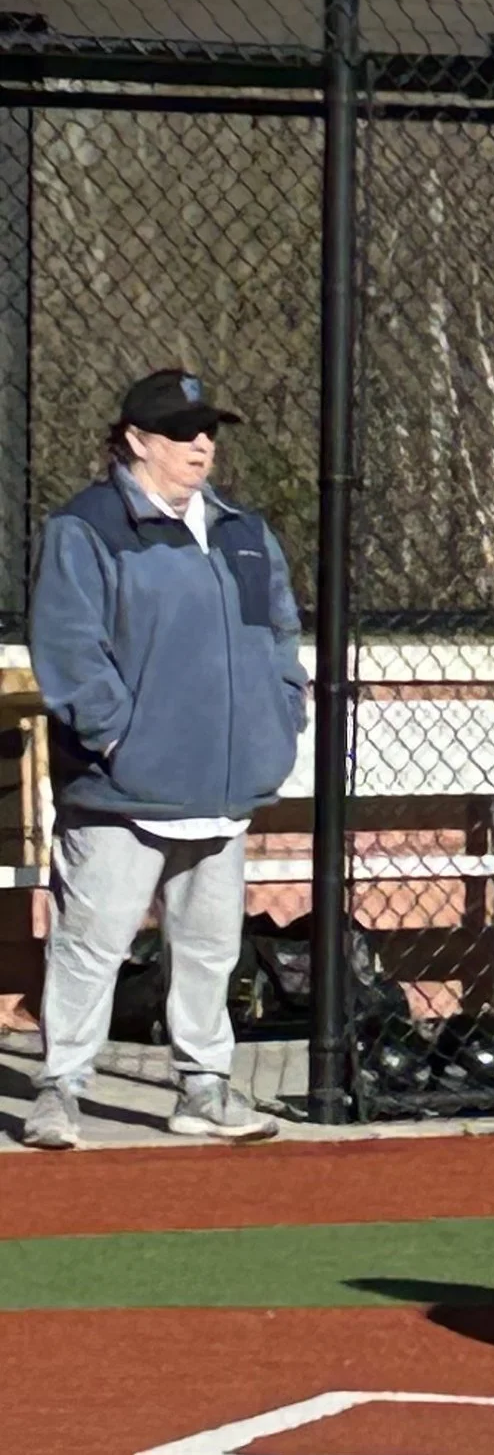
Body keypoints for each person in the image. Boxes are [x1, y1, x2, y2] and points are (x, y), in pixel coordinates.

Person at [20, 368, 307, 1147]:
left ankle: (204, 1090)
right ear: (136, 441)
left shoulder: (245, 531)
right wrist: (121, 737)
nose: (201, 446)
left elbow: (280, 635)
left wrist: (279, 720)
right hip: (121, 791)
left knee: (210, 945)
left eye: (209, 431)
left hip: (223, 787)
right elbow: (71, 652)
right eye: (183, 433)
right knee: (92, 941)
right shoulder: (86, 528)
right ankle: (61, 1090)